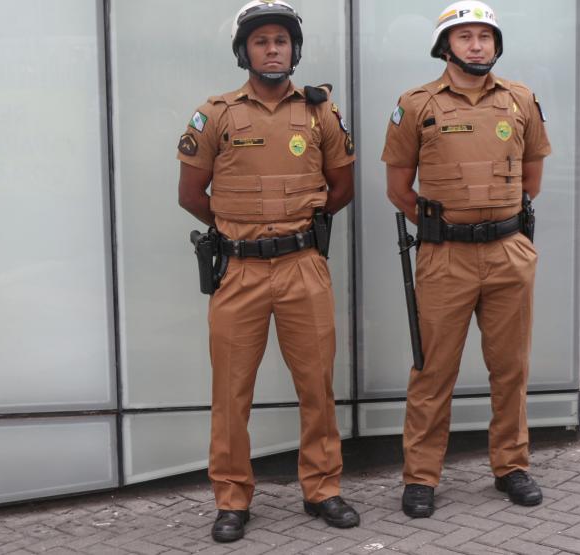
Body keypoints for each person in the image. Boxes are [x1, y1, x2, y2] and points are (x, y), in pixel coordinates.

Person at [177, 0, 358, 543]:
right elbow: (190, 194)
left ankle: (322, 489)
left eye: (281, 40)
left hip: (304, 266)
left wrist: (294, 230)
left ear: (294, 49)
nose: (272, 49)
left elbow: (342, 187)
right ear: (244, 51)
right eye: (261, 41)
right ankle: (232, 497)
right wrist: (240, 228)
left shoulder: (321, 112)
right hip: (240, 272)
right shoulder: (215, 114)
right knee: (231, 392)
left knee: (316, 386)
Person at [382, 1, 551, 517]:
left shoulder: (521, 100)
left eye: (485, 36)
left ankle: (512, 466)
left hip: (508, 252)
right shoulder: (416, 105)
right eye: (465, 37)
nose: (477, 45)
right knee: (433, 373)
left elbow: (533, 182)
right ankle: (421, 477)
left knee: (510, 367)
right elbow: (398, 189)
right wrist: (443, 229)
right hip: (445, 256)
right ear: (445, 46)